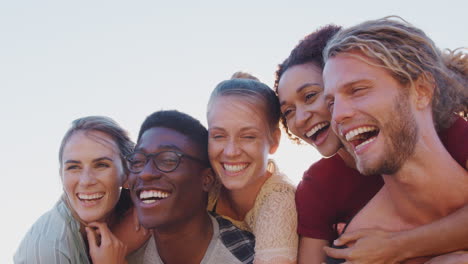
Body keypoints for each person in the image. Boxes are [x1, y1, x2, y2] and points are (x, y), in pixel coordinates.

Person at [275, 24, 468, 264]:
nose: (339, 115)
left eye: (357, 90)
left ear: (421, 91)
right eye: (332, 102)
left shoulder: (450, 132)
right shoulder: (323, 188)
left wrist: (400, 247)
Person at [125, 110, 256, 264]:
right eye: (138, 161)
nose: (145, 173)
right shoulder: (118, 253)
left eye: (168, 160)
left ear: (207, 180)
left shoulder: (250, 257)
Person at [14, 116, 149, 264]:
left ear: (128, 173)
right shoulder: (48, 250)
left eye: (101, 165)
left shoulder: (143, 213)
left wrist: (146, 202)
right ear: (61, 175)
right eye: (73, 167)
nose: (86, 181)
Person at [206, 75, 298, 263]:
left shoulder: (279, 199)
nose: (231, 151)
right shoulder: (202, 178)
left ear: (274, 140)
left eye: (248, 137)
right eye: (218, 136)